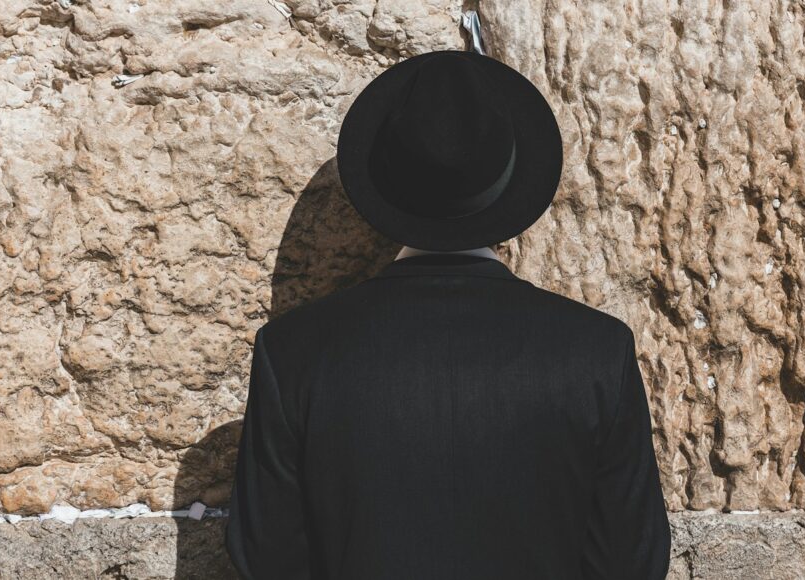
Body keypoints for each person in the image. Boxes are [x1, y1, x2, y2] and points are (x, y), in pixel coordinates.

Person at [225, 49, 671, 580]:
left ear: (388, 180)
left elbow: (265, 559)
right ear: (510, 176)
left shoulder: (293, 353)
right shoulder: (597, 353)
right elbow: (631, 562)